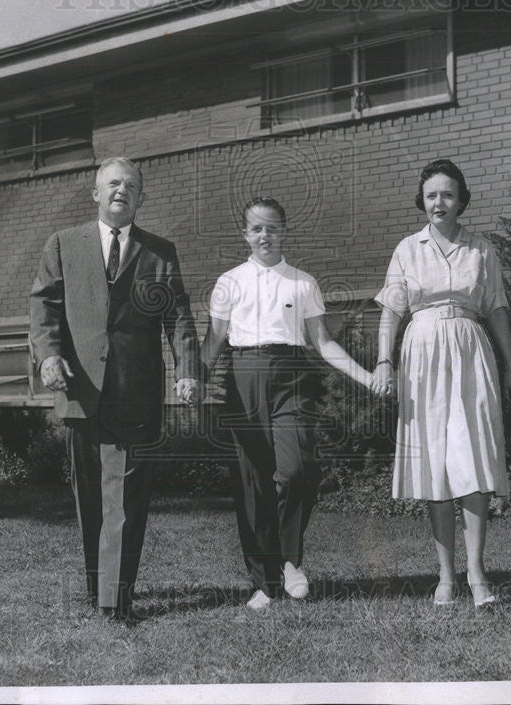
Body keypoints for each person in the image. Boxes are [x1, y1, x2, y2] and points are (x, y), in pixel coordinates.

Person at [29, 156, 201, 621]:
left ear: (140, 198)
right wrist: (47, 356)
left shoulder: (160, 252)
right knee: (89, 497)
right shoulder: (64, 244)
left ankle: (114, 600)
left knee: (124, 498)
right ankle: (97, 588)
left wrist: (187, 369)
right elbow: (43, 308)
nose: (120, 191)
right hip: (81, 389)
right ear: (96, 193)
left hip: (135, 392)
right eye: (112, 184)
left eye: (130, 186)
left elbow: (178, 317)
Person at [200, 197, 373, 610]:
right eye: (257, 228)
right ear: (245, 233)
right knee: (252, 483)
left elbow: (323, 342)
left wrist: (366, 377)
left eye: (273, 227)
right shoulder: (229, 282)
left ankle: (290, 559)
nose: (265, 235)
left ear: (284, 231)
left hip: (292, 376)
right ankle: (266, 582)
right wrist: (191, 378)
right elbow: (214, 342)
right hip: (243, 378)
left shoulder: (302, 283)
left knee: (297, 470)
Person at [370, 159, 511, 608]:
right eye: (432, 195)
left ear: (461, 200)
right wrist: (383, 360)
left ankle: (476, 573)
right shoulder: (407, 249)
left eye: (448, 194)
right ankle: (445, 577)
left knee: (473, 460)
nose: (440, 202)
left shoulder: (481, 249)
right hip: (422, 355)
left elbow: (496, 308)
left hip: (471, 352)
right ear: (423, 200)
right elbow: (391, 312)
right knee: (436, 463)